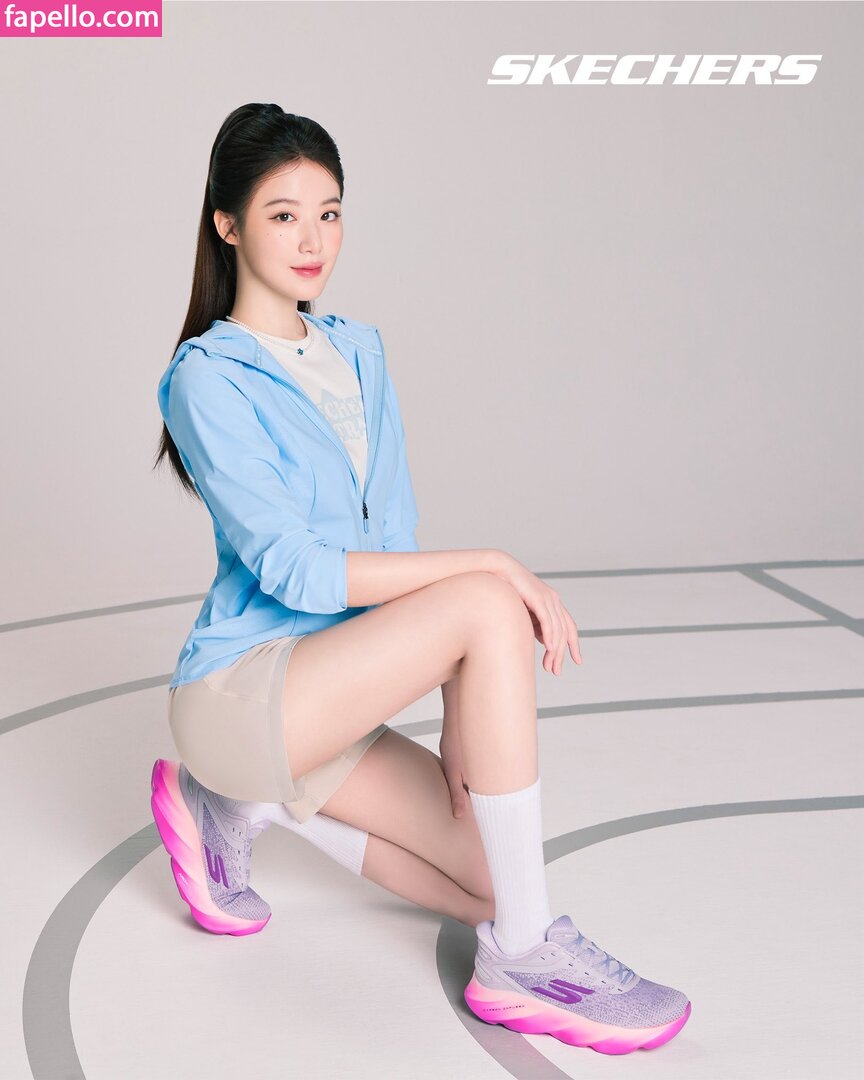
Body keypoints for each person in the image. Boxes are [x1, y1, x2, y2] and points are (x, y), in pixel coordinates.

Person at [150, 102, 691, 1054]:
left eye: (330, 213)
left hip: (336, 697)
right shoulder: (208, 376)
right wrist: (488, 566)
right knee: (485, 597)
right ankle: (524, 957)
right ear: (227, 224)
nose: (313, 240)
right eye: (283, 215)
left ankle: (248, 806)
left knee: (491, 880)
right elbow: (292, 568)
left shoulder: (359, 350)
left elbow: (392, 542)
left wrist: (456, 700)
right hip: (241, 695)